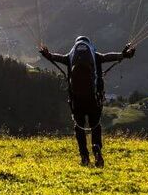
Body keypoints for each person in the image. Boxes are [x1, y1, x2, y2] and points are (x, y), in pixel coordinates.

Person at [39, 35, 135, 167]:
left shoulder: (69, 57)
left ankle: (84, 156)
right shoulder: (96, 56)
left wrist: (46, 54)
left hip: (77, 99)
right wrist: (124, 54)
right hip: (93, 98)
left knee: (79, 127)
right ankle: (96, 149)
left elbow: (54, 57)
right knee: (95, 125)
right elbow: (110, 57)